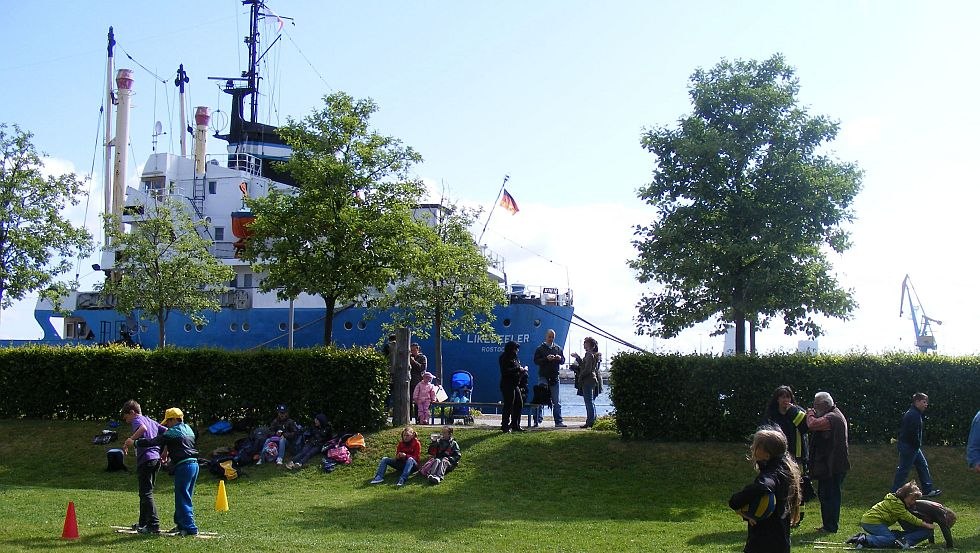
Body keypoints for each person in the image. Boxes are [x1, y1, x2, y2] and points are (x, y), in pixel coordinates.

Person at [728, 427, 801, 553]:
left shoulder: (770, 474)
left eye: (756, 446)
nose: (752, 448)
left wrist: (736, 501)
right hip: (781, 540)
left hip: (764, 542)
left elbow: (764, 485)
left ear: (767, 455)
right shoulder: (786, 468)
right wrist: (749, 514)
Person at [135, 407, 199, 536]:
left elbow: (154, 441)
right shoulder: (188, 428)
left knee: (182, 497)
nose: (167, 425)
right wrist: (167, 451)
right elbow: (180, 443)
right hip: (194, 465)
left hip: (184, 466)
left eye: (168, 422)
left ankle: (190, 528)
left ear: (174, 419)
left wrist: (136, 442)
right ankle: (181, 524)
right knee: (185, 496)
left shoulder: (173, 431)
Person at [762, 385, 811, 526]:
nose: (785, 399)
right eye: (782, 396)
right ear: (777, 399)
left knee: (797, 488)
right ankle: (779, 515)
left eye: (788, 396)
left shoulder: (797, 412)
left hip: (797, 457)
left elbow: (805, 428)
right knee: (780, 487)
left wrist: (792, 411)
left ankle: (797, 518)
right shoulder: (772, 415)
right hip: (777, 456)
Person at [120, 400, 168, 534]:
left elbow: (143, 429)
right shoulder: (151, 420)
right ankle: (143, 523)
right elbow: (168, 432)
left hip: (146, 460)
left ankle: (153, 524)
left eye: (126, 417)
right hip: (155, 459)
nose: (127, 421)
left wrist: (131, 440)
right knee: (145, 493)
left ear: (132, 412)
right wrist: (165, 451)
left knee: (146, 493)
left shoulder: (137, 420)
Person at [805, 391, 849, 534]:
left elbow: (812, 424)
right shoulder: (834, 414)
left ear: (824, 405)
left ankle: (830, 527)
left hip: (833, 466)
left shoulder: (832, 417)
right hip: (832, 465)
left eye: (816, 405)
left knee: (830, 496)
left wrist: (810, 413)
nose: (814, 407)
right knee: (826, 495)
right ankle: (828, 525)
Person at [846, 482, 934, 549]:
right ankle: (865, 540)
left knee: (892, 536)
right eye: (912, 499)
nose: (913, 502)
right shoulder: (897, 505)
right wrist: (925, 524)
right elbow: (909, 517)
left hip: (871, 520)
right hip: (872, 522)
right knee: (890, 539)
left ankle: (860, 537)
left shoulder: (896, 501)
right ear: (906, 496)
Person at [891, 392, 941, 497]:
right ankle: (894, 492)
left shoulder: (914, 413)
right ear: (917, 401)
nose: (926, 404)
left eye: (926, 402)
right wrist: (917, 444)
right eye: (924, 402)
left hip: (913, 446)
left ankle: (927, 490)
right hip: (910, 446)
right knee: (904, 469)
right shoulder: (913, 415)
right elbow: (912, 433)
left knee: (923, 466)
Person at [533, 329, 566, 427]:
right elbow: (536, 361)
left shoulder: (558, 349)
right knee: (540, 399)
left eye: (552, 337)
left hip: (554, 377)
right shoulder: (540, 349)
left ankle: (558, 421)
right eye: (549, 337)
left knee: (556, 401)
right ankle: (537, 420)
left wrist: (560, 359)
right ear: (546, 337)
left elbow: (563, 361)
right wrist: (546, 359)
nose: (551, 339)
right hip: (543, 376)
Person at [570, 337, 601, 428]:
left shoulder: (589, 354)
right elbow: (585, 365)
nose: (584, 345)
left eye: (586, 343)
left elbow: (587, 369)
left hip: (588, 380)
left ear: (590, 345)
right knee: (590, 401)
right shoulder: (592, 354)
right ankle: (592, 420)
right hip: (591, 379)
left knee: (588, 401)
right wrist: (578, 358)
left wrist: (581, 376)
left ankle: (590, 421)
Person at [499, 340, 527, 433]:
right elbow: (505, 371)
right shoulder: (504, 358)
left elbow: (516, 369)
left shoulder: (515, 358)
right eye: (516, 349)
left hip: (515, 384)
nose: (517, 351)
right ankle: (505, 425)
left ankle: (515, 424)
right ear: (511, 349)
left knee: (519, 403)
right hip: (507, 384)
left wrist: (522, 371)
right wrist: (518, 369)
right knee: (508, 405)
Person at [409, 343, 427, 420]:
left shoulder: (422, 357)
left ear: (417, 349)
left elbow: (422, 368)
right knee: (409, 400)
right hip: (410, 381)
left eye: (414, 350)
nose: (412, 352)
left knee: (418, 401)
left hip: (418, 382)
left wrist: (413, 362)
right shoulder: (409, 357)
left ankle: (418, 418)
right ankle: (409, 417)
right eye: (411, 350)